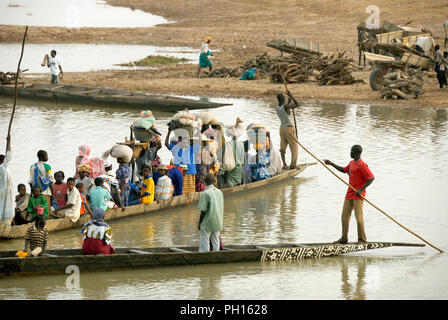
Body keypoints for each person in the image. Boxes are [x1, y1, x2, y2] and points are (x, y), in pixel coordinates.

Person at [324, 145, 375, 244]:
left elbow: (371, 178)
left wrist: (361, 189)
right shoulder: (351, 163)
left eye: (351, 151)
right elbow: (344, 170)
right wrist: (331, 164)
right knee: (344, 216)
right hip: (349, 194)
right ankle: (344, 238)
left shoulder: (362, 165)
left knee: (358, 217)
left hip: (358, 196)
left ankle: (362, 239)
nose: (350, 153)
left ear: (356, 153)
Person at [197, 174, 224, 252]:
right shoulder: (220, 192)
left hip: (208, 221)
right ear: (214, 181)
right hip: (218, 220)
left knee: (204, 241)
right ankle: (216, 256)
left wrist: (200, 223)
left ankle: (204, 256)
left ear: (205, 182)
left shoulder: (205, 193)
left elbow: (203, 211)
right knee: (216, 240)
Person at [275, 90, 299, 170]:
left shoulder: (277, 107)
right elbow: (297, 105)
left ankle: (284, 164)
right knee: (294, 147)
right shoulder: (285, 106)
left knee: (282, 147)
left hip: (282, 128)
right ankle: (293, 165)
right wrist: (291, 95)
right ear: (283, 99)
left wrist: (288, 103)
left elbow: (287, 112)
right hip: (289, 128)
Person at [29, 149, 53, 216]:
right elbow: (51, 181)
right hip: (46, 192)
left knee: (37, 211)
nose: (47, 157)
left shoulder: (32, 167)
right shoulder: (47, 166)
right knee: (45, 211)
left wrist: (32, 193)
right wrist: (53, 193)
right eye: (46, 156)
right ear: (42, 157)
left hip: (35, 193)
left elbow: (30, 181)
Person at [0, 135, 14, 225]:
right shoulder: (2, 167)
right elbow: (8, 154)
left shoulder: (4, 167)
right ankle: (5, 225)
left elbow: (7, 156)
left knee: (3, 207)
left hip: (4, 191)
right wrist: (9, 141)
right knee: (5, 207)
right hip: (4, 191)